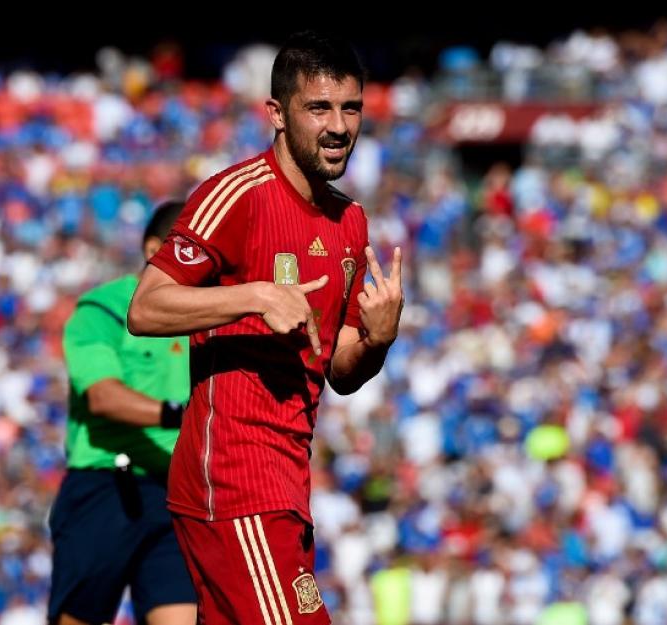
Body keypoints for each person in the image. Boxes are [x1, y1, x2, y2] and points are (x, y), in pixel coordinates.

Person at [128, 30, 404, 625]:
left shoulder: (350, 221)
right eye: (319, 108)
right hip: (234, 480)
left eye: (350, 108)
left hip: (287, 483)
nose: (338, 126)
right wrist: (253, 296)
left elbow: (340, 370)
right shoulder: (237, 195)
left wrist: (378, 339)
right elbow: (146, 308)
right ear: (276, 114)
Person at [48, 200, 197, 625]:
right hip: (107, 485)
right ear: (154, 250)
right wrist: (180, 415)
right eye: (190, 249)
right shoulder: (104, 310)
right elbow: (104, 397)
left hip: (175, 493)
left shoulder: (210, 319)